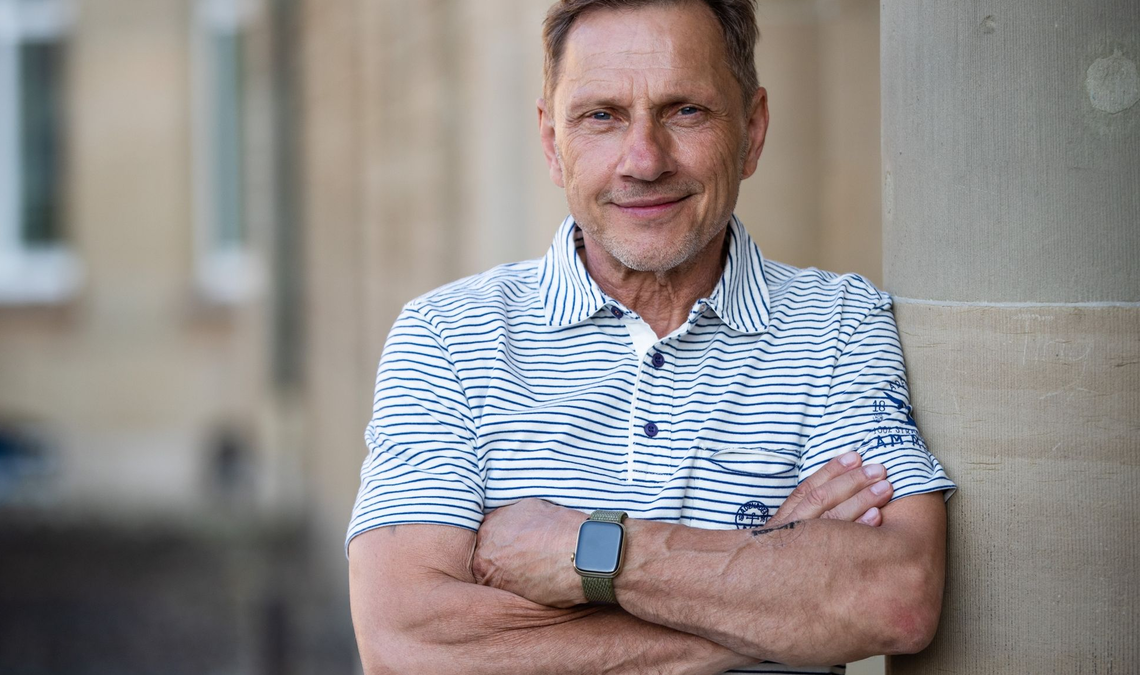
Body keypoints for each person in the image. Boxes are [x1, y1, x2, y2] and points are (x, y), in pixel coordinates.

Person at [346, 0, 955, 672]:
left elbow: (895, 594)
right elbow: (405, 645)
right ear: (552, 141)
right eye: (601, 116)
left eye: (684, 110)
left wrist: (594, 553)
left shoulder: (839, 324)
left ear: (752, 130)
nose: (643, 159)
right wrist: (771, 582)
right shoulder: (447, 338)